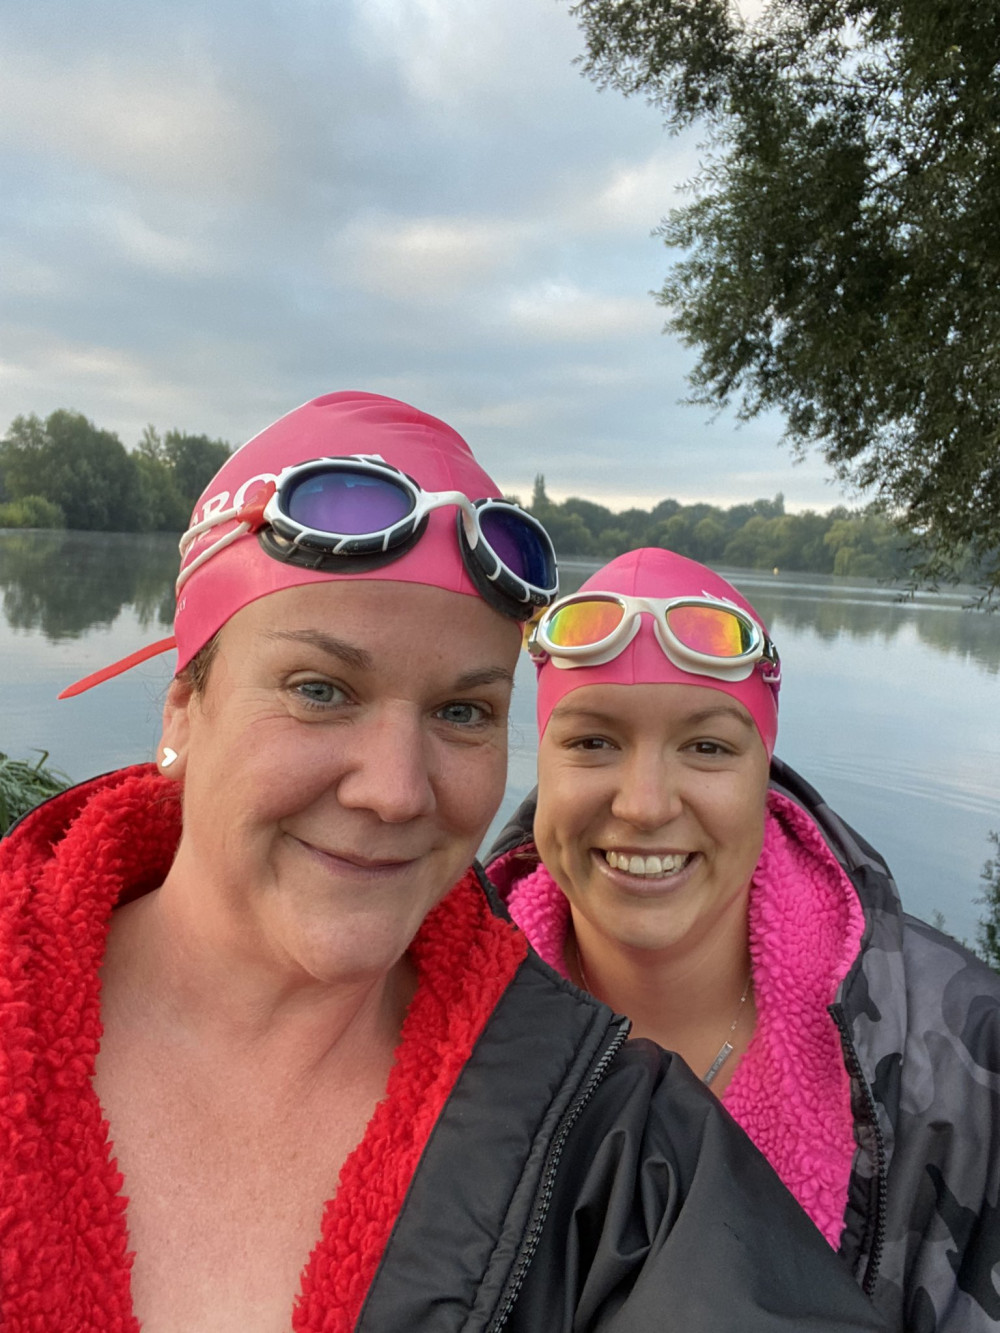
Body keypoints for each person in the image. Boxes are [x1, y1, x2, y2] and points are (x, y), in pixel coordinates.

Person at [0, 395, 885, 1333]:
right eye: (320, 690)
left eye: (462, 712)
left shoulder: (621, 1155)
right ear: (183, 707)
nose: (395, 791)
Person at [486, 545, 1000, 1333]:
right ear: (542, 761)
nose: (646, 804)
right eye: (592, 741)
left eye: (708, 747)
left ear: (766, 768)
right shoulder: (417, 1004)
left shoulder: (961, 1058)